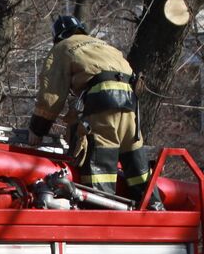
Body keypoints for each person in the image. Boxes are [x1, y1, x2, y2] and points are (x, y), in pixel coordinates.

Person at [27, 14, 161, 208]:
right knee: (137, 167)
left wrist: (37, 129)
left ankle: (103, 218)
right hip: (130, 106)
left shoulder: (62, 48)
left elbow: (52, 94)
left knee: (100, 171)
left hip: (102, 105)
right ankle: (155, 208)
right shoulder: (104, 45)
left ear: (58, 37)